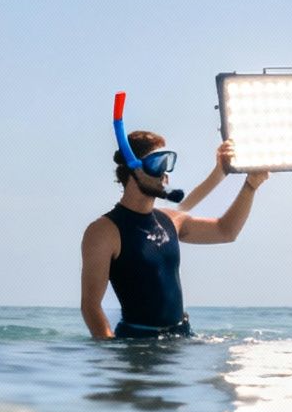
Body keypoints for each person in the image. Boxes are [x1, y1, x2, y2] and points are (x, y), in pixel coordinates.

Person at [80, 130, 269, 340]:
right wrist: (111, 352)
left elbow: (227, 231)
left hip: (181, 339)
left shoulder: (169, 220)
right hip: (137, 346)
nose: (165, 173)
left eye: (169, 163)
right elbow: (90, 306)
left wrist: (250, 186)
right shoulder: (104, 231)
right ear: (134, 169)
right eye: (159, 163)